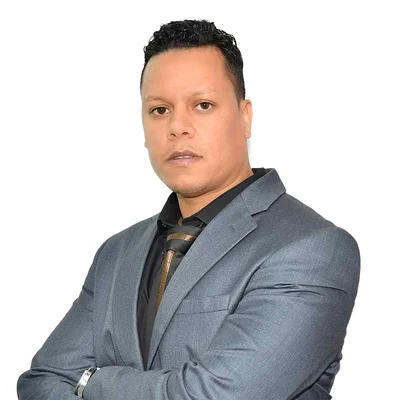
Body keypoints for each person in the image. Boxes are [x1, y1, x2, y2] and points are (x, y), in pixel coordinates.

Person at [17, 19, 360, 399]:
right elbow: (41, 381)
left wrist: (91, 382)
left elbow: (215, 396)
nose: (178, 126)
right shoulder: (116, 253)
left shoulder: (312, 248)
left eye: (203, 105)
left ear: (245, 116)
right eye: (160, 109)